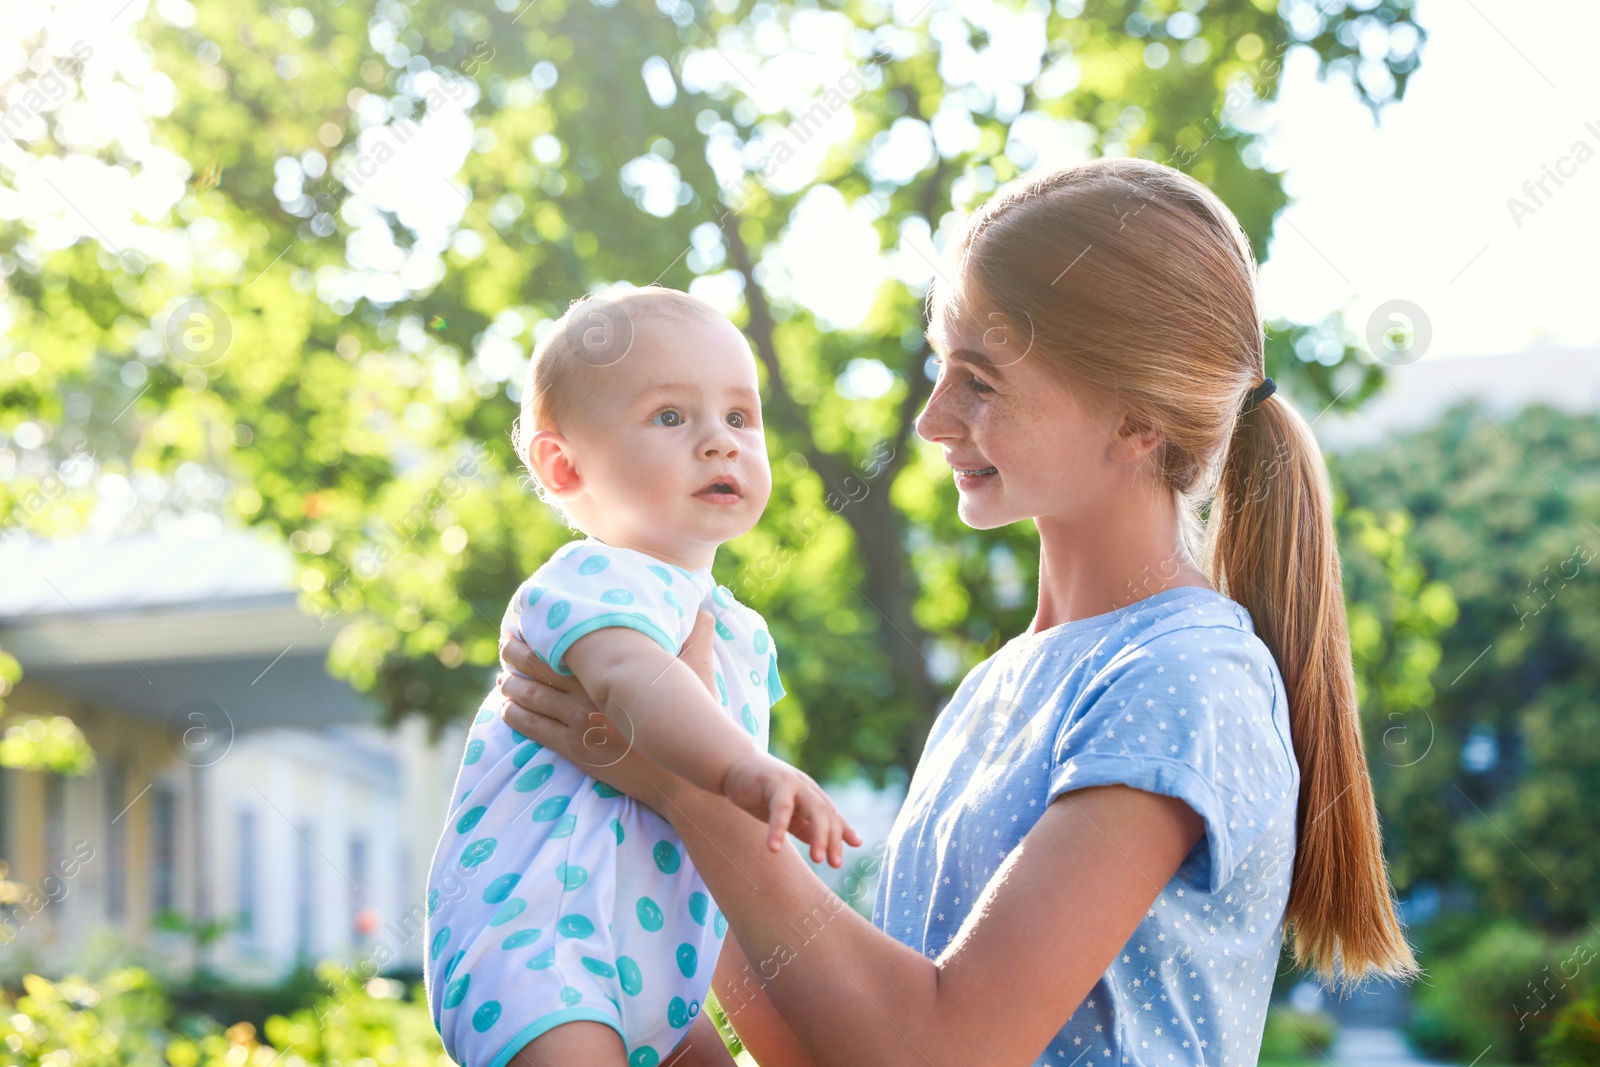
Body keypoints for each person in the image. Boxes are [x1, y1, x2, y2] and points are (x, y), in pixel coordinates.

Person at [494, 158, 1420, 1067]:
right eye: (942, 368)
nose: (934, 418)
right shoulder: (997, 685)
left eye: (980, 379)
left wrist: (682, 789)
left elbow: (945, 1051)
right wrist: (646, 830)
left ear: (1138, 421)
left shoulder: (1185, 677)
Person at [424, 286, 859, 1067]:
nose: (719, 442)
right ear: (563, 464)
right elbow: (634, 683)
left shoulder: (738, 628)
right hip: (544, 944)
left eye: (738, 417)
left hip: (660, 972)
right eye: (670, 416)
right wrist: (744, 768)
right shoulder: (588, 579)